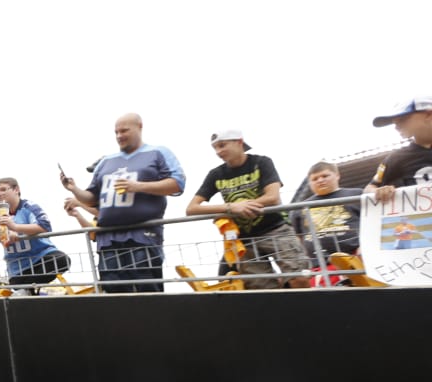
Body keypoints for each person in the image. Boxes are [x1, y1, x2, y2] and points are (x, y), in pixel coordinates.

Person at [61, 113, 185, 293]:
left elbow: (177, 184)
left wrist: (137, 186)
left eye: (124, 130)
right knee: (113, 290)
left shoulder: (158, 152)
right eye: (116, 132)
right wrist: (74, 189)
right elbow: (92, 197)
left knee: (146, 287)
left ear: (139, 127)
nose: (119, 136)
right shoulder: (106, 161)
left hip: (143, 235)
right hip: (108, 238)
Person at [186, 130, 310, 289]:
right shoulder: (216, 174)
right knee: (261, 288)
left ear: (239, 141)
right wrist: (232, 208)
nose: (218, 152)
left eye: (222, 145)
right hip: (245, 240)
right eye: (215, 148)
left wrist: (242, 206)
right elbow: (191, 208)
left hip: (276, 230)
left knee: (299, 277)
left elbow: (272, 197)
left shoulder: (261, 162)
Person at [0, 177, 71, 293]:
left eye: (3, 189)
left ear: (16, 190)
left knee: (61, 260)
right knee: (23, 298)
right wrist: (4, 232)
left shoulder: (29, 207)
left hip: (40, 258)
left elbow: (44, 226)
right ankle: (26, 289)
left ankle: (26, 288)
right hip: (17, 267)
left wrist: (15, 227)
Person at [292, 161, 363, 267]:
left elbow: (374, 222)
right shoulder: (299, 207)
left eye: (325, 176)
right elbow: (299, 238)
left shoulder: (358, 195)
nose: (320, 180)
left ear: (337, 175)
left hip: (356, 258)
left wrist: (366, 247)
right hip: (319, 265)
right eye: (315, 179)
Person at [366, 96, 432, 202]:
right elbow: (369, 188)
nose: (396, 127)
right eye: (394, 122)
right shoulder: (397, 157)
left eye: (402, 119)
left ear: (428, 114)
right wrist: (379, 191)